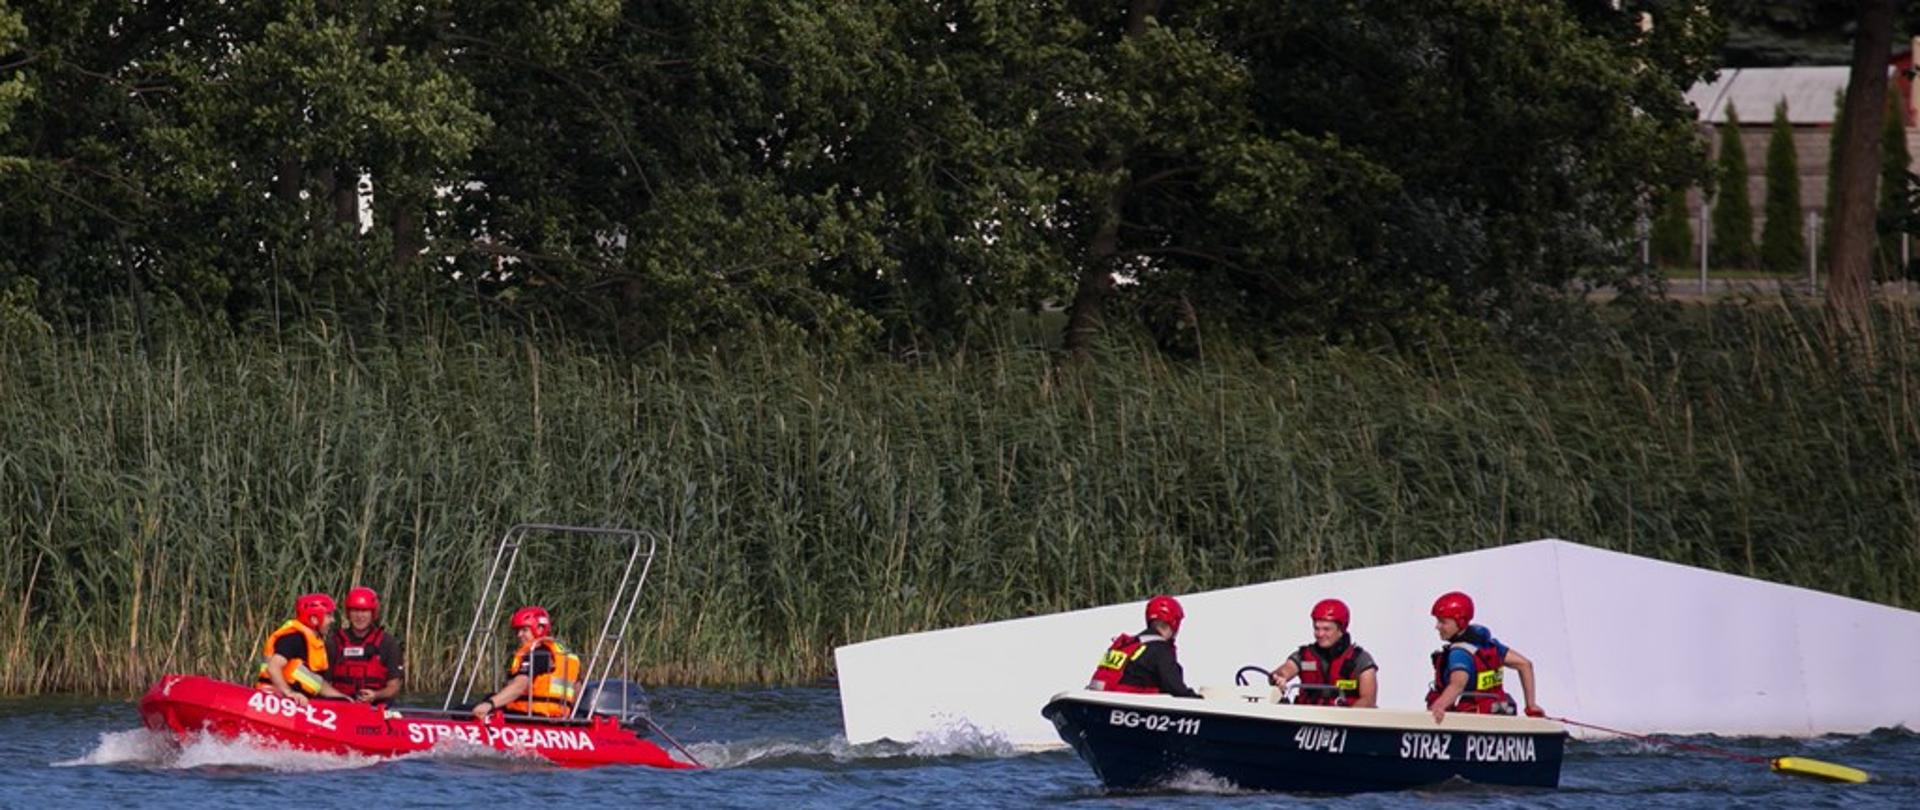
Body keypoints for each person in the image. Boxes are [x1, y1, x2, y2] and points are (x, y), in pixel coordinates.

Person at [1424, 591, 1544, 723]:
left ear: (1460, 621)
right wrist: (1531, 706)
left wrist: (1439, 706)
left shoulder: (1459, 653)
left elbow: (1457, 684)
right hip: (1499, 714)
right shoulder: (1489, 647)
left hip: (1471, 721)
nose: (1437, 626)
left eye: (1443, 622)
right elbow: (1525, 665)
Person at [471, 606, 582, 720]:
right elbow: (577, 690)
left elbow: (519, 686)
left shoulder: (538, 654)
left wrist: (489, 704)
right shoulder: (564, 654)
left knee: (464, 710)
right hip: (555, 717)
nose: (519, 635)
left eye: (524, 630)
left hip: (530, 716)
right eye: (518, 631)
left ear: (539, 629)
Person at [1268, 598, 1378, 707]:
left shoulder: (1360, 660)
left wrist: (1344, 721)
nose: (1320, 634)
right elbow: (1285, 670)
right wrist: (1279, 678)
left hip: (1343, 721)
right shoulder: (1304, 656)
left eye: (1326, 629)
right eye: (1316, 628)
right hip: (1305, 719)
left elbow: (1368, 700)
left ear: (1341, 629)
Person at [1086, 595, 1200, 698]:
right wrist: (1198, 700)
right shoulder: (1160, 649)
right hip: (1128, 708)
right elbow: (1176, 688)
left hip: (1099, 700)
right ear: (1175, 623)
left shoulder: (1127, 645)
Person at [257, 592, 350, 704]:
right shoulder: (293, 639)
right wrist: (289, 693)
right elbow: (273, 667)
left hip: (296, 705)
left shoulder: (312, 642)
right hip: (273, 701)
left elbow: (317, 683)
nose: (332, 620)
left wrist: (344, 698)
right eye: (329, 615)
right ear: (314, 619)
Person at [325, 586, 406, 703]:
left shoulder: (388, 643)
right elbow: (323, 683)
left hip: (375, 707)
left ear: (373, 613)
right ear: (349, 613)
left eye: (364, 611)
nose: (359, 616)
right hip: (341, 706)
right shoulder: (334, 643)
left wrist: (376, 695)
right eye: (355, 611)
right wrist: (343, 698)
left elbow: (394, 686)